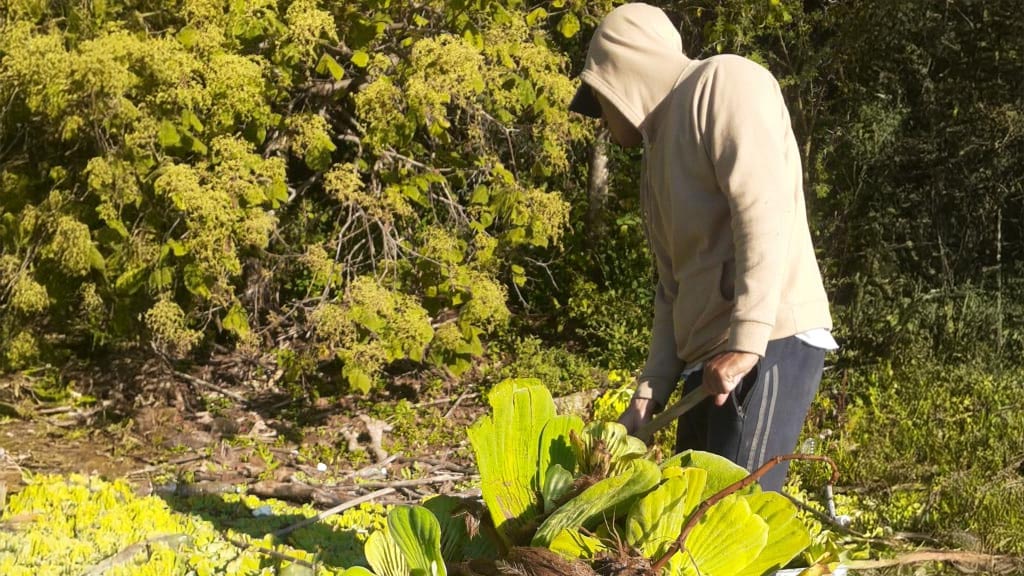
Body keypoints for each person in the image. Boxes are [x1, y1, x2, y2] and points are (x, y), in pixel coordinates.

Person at [568, 3, 837, 492]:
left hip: (767, 341)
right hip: (708, 361)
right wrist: (647, 395)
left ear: (625, 72)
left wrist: (746, 344)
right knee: (687, 525)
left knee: (734, 516)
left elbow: (762, 209)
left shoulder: (723, 82)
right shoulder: (655, 160)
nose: (601, 116)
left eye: (599, 98)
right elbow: (672, 289)